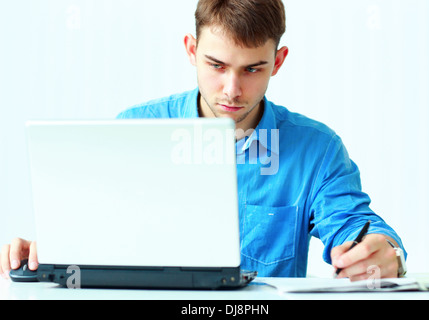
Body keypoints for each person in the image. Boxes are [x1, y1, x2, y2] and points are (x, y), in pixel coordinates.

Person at [1, 0, 406, 281]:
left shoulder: (316, 151)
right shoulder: (134, 131)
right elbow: (91, 238)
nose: (232, 89)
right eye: (216, 65)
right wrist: (45, 253)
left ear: (277, 63)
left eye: (252, 69)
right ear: (192, 51)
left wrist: (382, 251)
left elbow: (357, 227)